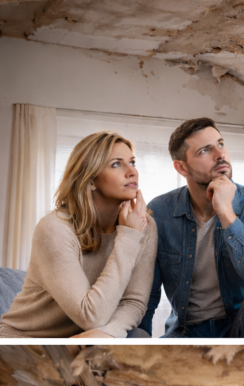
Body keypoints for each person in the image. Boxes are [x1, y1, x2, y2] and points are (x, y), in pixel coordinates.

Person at [141, 117, 244, 338]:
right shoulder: (160, 212)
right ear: (181, 167)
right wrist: (138, 345)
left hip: (239, 327)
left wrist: (227, 215)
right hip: (185, 331)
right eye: (204, 151)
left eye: (220, 144)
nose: (220, 155)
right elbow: (147, 294)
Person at [0, 131, 157, 338]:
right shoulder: (55, 228)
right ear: (90, 180)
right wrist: (128, 238)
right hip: (29, 341)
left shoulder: (144, 225)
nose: (132, 172)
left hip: (86, 337)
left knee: (139, 336)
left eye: (133, 162)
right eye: (117, 164)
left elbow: (134, 302)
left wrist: (108, 334)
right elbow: (90, 316)